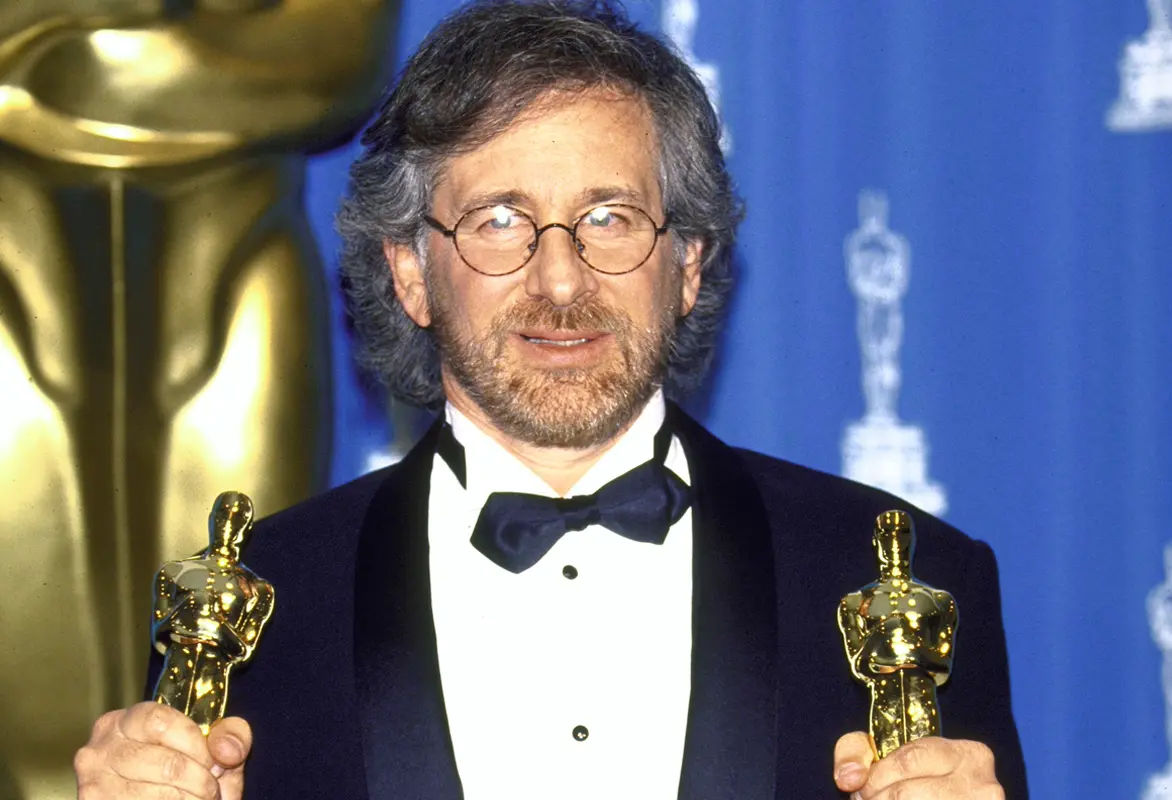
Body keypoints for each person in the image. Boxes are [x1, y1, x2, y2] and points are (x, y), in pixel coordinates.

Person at [73, 1, 1028, 798]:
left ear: (688, 263)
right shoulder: (254, 611)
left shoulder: (904, 582)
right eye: (500, 221)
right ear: (409, 272)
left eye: (610, 218)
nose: (561, 281)